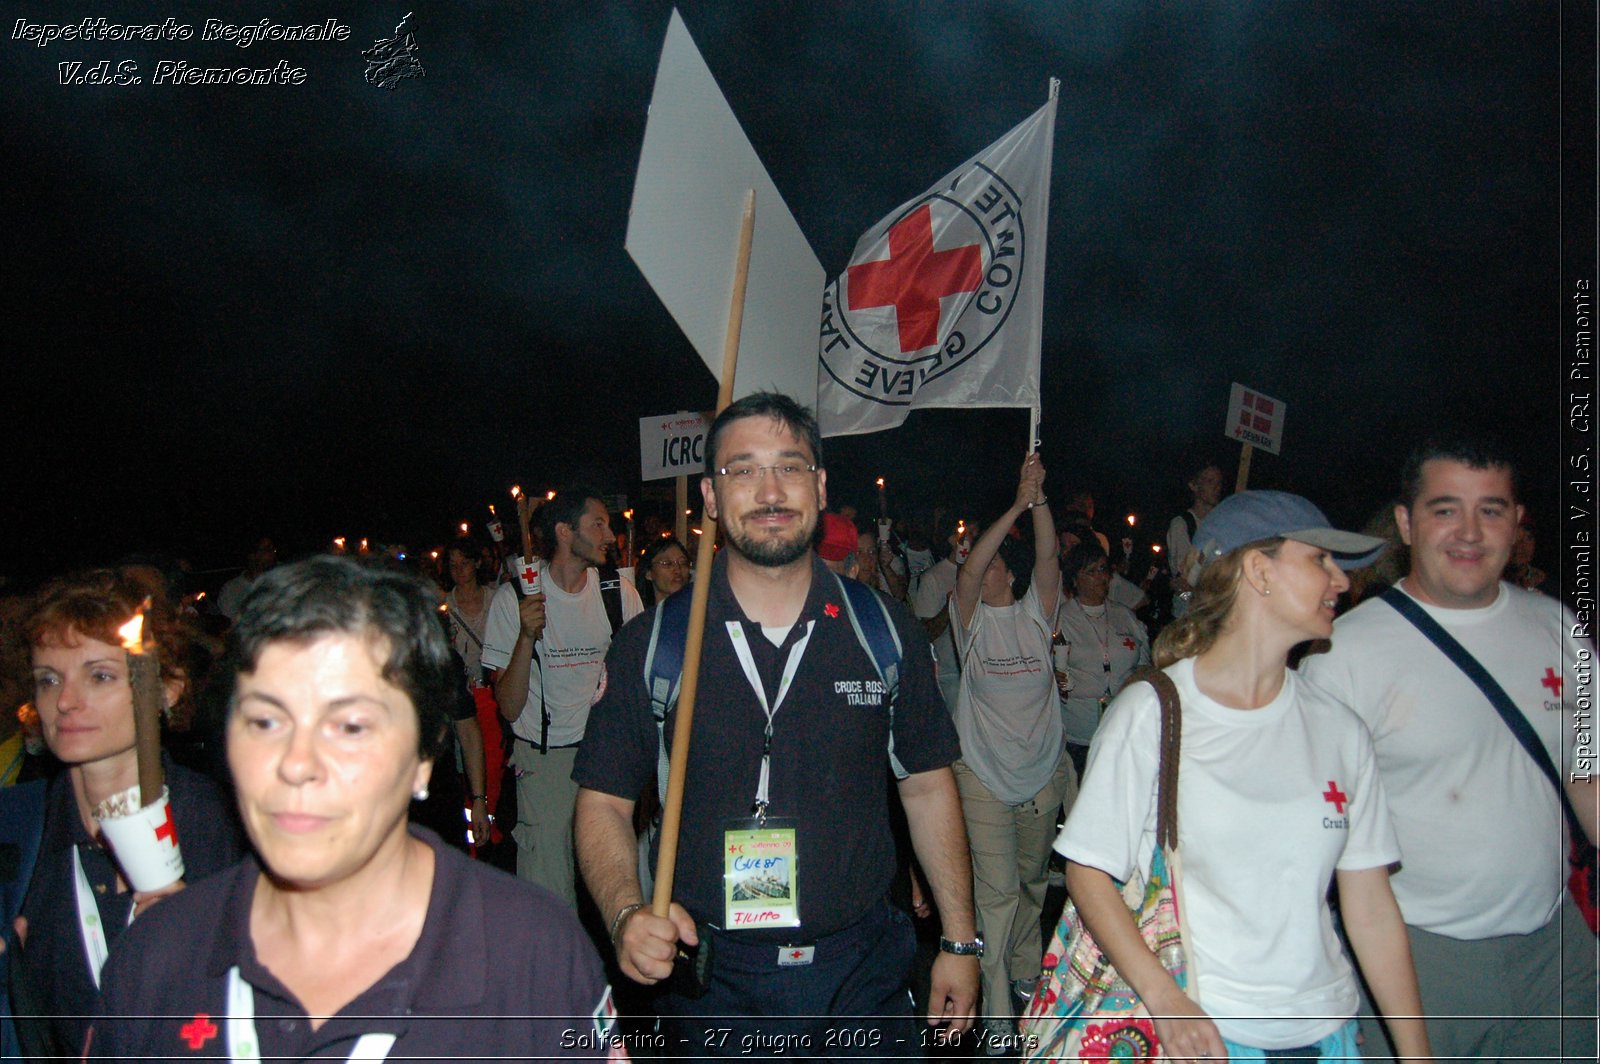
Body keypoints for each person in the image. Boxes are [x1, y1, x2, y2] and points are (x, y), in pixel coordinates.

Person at [85, 556, 620, 1060]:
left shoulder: (532, 952)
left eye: (350, 726)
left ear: (421, 756)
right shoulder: (155, 962)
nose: (297, 763)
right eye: (266, 721)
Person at [574, 392, 980, 1053]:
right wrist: (624, 912)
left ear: (819, 487)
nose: (769, 491)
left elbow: (928, 787)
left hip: (863, 975)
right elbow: (603, 802)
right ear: (710, 494)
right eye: (743, 470)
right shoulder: (656, 643)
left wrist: (961, 940)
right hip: (712, 983)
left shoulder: (882, 629)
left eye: (789, 467)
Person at [1058, 491, 1432, 1061]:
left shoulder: (1339, 728)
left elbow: (1371, 907)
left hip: (1328, 1031)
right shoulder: (1155, 713)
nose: (1341, 581)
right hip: (1205, 1032)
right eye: (1320, 560)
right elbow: (1088, 872)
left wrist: (1416, 1052)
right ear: (1258, 570)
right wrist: (1166, 999)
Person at [1301, 437, 1597, 1063]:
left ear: (1517, 524)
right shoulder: (1344, 654)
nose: (1469, 531)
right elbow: (1313, 839)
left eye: (1491, 510)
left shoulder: (1562, 630)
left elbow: (1589, 779)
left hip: (1557, 950)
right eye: (1445, 509)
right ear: (1407, 523)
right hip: (1420, 955)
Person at [15, 569, 244, 1058]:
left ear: (166, 689)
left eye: (99, 676)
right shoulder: (20, 829)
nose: (66, 702)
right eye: (49, 679)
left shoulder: (215, 825)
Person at [949, 453, 1075, 1042]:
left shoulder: (1035, 614)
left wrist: (1038, 498)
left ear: (1013, 574)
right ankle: (999, 1023)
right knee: (996, 898)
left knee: (1030, 887)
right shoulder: (969, 618)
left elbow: (1049, 556)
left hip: (1040, 776)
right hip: (983, 777)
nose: (982, 564)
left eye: (996, 557)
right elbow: (968, 574)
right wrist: (1015, 505)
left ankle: (1025, 975)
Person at [481, 486, 642, 907]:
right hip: (545, 762)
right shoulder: (513, 599)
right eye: (598, 524)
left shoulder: (618, 594)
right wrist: (525, 636)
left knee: (616, 889)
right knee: (550, 899)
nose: (610, 535)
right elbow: (510, 706)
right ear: (565, 532)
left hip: (606, 760)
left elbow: (637, 684)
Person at [1054, 539, 1151, 778]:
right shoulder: (1061, 620)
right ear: (1075, 579)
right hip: (1080, 738)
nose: (1101, 577)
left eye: (1103, 569)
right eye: (1091, 571)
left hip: (1123, 733)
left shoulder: (1124, 616)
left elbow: (1144, 666)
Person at [911, 516, 970, 714]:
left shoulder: (981, 574)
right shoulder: (933, 577)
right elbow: (926, 632)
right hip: (950, 675)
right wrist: (950, 606)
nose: (970, 539)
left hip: (976, 671)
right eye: (965, 534)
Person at [1166, 462, 1223, 619]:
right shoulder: (1182, 524)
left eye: (1219, 482)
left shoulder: (1223, 525)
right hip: (1188, 614)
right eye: (1210, 481)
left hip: (1214, 612)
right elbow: (1183, 582)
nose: (1216, 487)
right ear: (1194, 485)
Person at [215, 537, 277, 623]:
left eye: (272, 549)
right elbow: (230, 625)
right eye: (267, 549)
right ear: (252, 555)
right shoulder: (232, 589)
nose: (272, 553)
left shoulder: (279, 583)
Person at [637, 536, 691, 610]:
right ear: (648, 573)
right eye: (667, 563)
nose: (677, 570)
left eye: (683, 563)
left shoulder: (698, 616)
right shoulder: (642, 618)